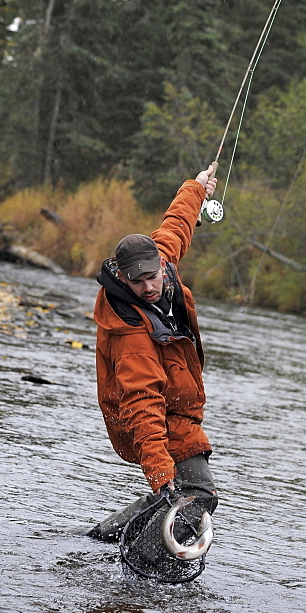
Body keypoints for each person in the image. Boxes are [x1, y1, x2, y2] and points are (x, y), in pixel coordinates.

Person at [87, 163, 219, 543]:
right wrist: (162, 477)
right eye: (138, 281)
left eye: (153, 276)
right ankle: (141, 558)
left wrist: (196, 187)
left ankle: (105, 536)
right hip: (149, 416)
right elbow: (142, 402)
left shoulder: (163, 261)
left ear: (162, 265)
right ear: (124, 278)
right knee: (195, 495)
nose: (148, 287)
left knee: (187, 498)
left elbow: (177, 223)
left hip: (176, 407)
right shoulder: (128, 331)